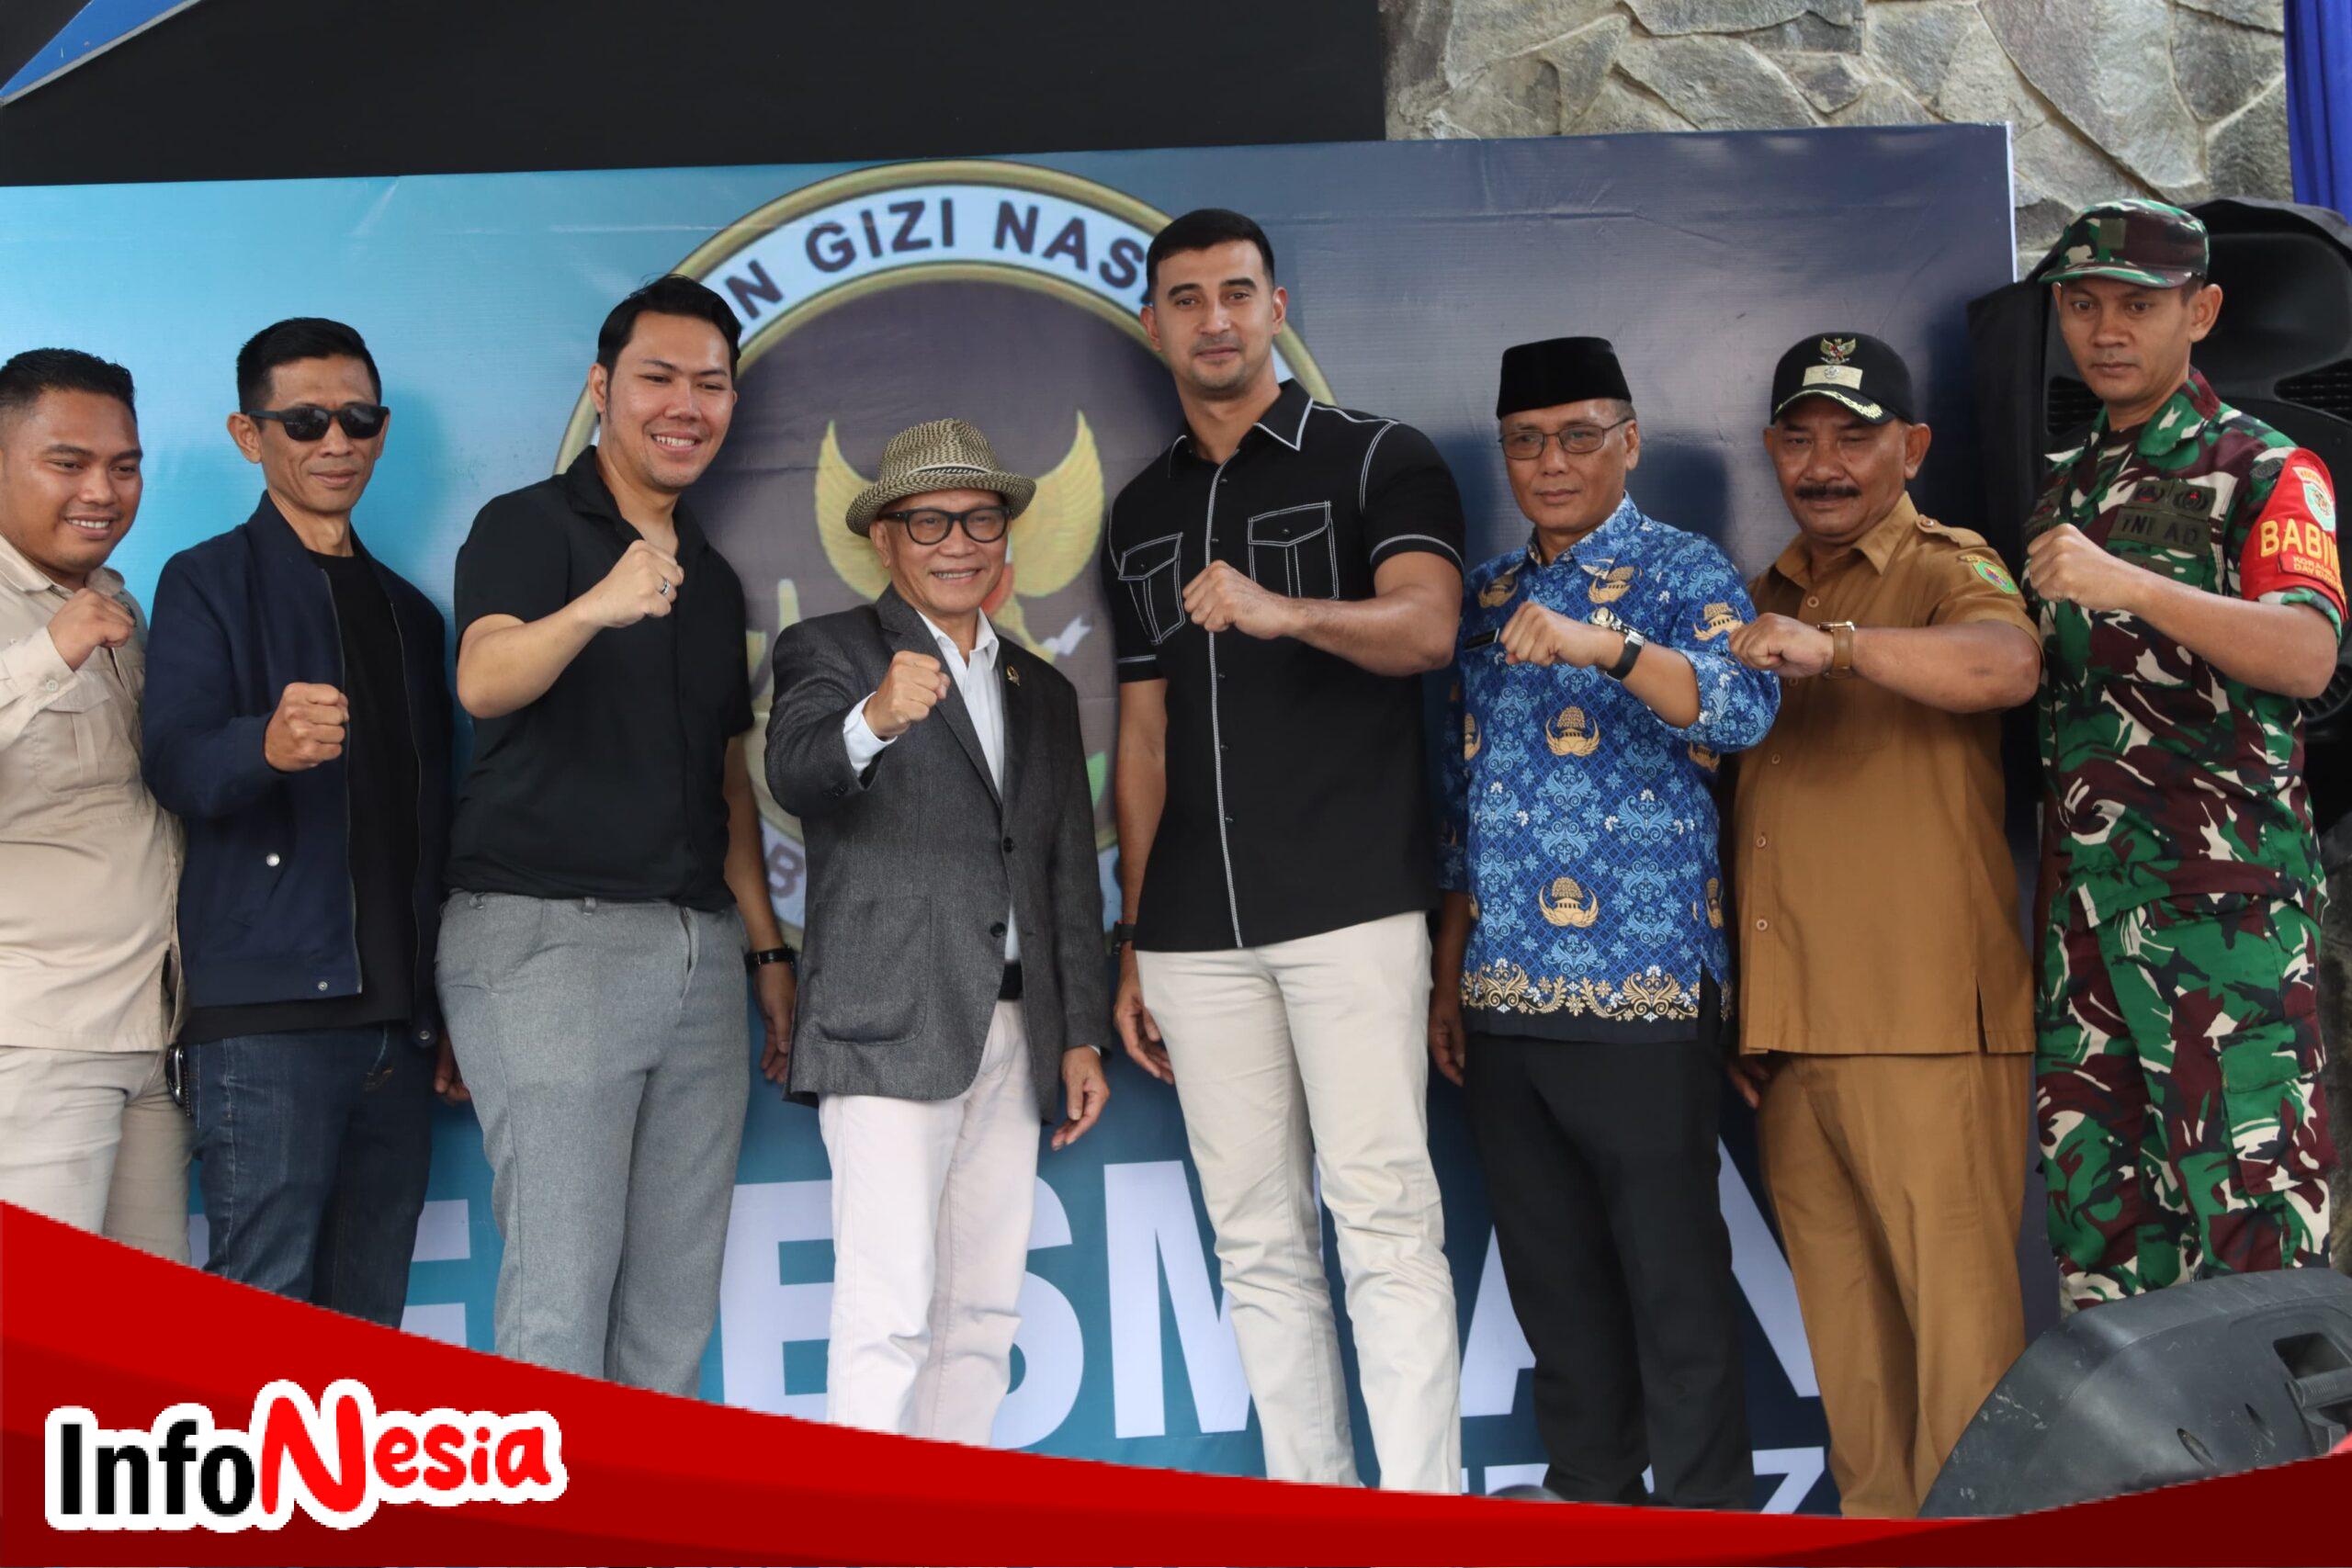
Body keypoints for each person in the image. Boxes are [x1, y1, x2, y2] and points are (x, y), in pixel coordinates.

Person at [1101, 208, 1466, 1489]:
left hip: (1352, 908)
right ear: (1153, 324)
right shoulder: (1138, 510)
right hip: (1194, 936)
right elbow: (1141, 737)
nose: (1214, 319)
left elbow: (1428, 630)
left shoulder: (1378, 457)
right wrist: (1137, 934)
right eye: (1186, 298)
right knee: (1257, 1244)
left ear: (1277, 308)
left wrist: (1284, 609)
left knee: (1386, 1228)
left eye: (1237, 293)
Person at [1431, 335, 1776, 1509]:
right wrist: (1449, 975)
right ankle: (1591, 1508)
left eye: (1578, 437)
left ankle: (1707, 1521)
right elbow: (1461, 798)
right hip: (1504, 997)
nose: (1551, 462)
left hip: (1644, 994)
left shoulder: (1684, 570)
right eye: (1526, 442)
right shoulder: (1485, 594)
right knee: (1554, 1293)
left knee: (1674, 1287)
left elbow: (1742, 710)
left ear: (1627, 442)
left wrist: (1607, 646)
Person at [437, 276, 794, 1390]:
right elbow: (483, 679)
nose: (686, 406)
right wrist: (595, 605)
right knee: (559, 1301)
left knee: (672, 1310)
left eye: (711, 385)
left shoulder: (712, 575)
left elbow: (725, 783)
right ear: (602, 388)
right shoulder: (526, 526)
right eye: (657, 378)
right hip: (553, 940)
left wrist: (765, 951)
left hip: (697, 954)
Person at [1724, 332, 2041, 1517]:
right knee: (1858, 1394)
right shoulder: (1764, 592)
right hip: (1792, 1042)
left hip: (1923, 1030)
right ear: (1769, 449)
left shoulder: (1947, 564)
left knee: (1965, 1380)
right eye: (1799, 436)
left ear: (1911, 448)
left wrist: (1842, 649)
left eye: (1854, 437)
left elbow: (2006, 666)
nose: (1823, 463)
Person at [766, 417, 1111, 1441]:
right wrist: (873, 717)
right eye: (929, 521)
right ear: (885, 540)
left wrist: (1079, 1031)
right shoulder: (830, 649)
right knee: (887, 1315)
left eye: (979, 519)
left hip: (1018, 1031)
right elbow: (795, 774)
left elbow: (1064, 872)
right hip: (888, 1025)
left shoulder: (1043, 689)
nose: (957, 542)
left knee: (983, 1318)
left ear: (1005, 537)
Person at [2026, 199, 2343, 1306]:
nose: (2105, 329)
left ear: (2199, 312)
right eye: (2081, 305)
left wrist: (2133, 585)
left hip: (2223, 917)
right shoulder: (2064, 487)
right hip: (2087, 923)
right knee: (2108, 1248)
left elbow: (2305, 653)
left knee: (2258, 1238)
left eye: (2136, 305)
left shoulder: (2264, 466)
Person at [142, 319, 456, 1323]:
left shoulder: (413, 615)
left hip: (397, 1029)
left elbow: (432, 825)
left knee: (368, 1326)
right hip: (267, 1025)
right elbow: (172, 764)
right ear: (250, 435)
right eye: (306, 420)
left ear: (383, 429)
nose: (337, 441)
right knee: (262, 1323)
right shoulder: (203, 580)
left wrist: (439, 1007)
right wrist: (264, 748)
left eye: (358, 418)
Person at [0, 347, 186, 1260]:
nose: (102, 491)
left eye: (124, 465)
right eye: (67, 462)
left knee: (144, 1335)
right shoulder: (58, 622)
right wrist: (49, 652)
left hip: (151, 1032)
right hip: (36, 1040)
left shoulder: (117, 603)